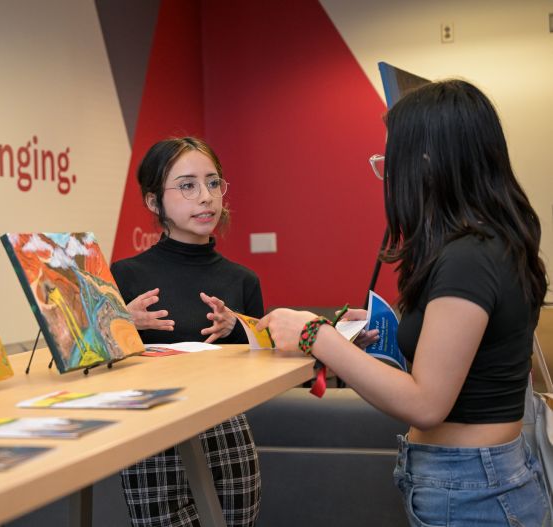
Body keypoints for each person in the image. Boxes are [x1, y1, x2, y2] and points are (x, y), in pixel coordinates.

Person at [258, 79, 551, 526]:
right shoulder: (492, 242)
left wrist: (315, 334)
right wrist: (395, 324)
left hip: (471, 488)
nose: (388, 174)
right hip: (478, 479)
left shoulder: (468, 257)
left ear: (428, 162)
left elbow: (426, 403)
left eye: (390, 160)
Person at [111, 137, 262, 526]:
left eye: (213, 183)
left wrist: (240, 327)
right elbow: (96, 368)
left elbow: (264, 365)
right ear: (152, 202)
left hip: (227, 432)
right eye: (187, 185)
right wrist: (119, 324)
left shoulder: (242, 280)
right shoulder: (124, 275)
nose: (206, 198)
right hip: (151, 435)